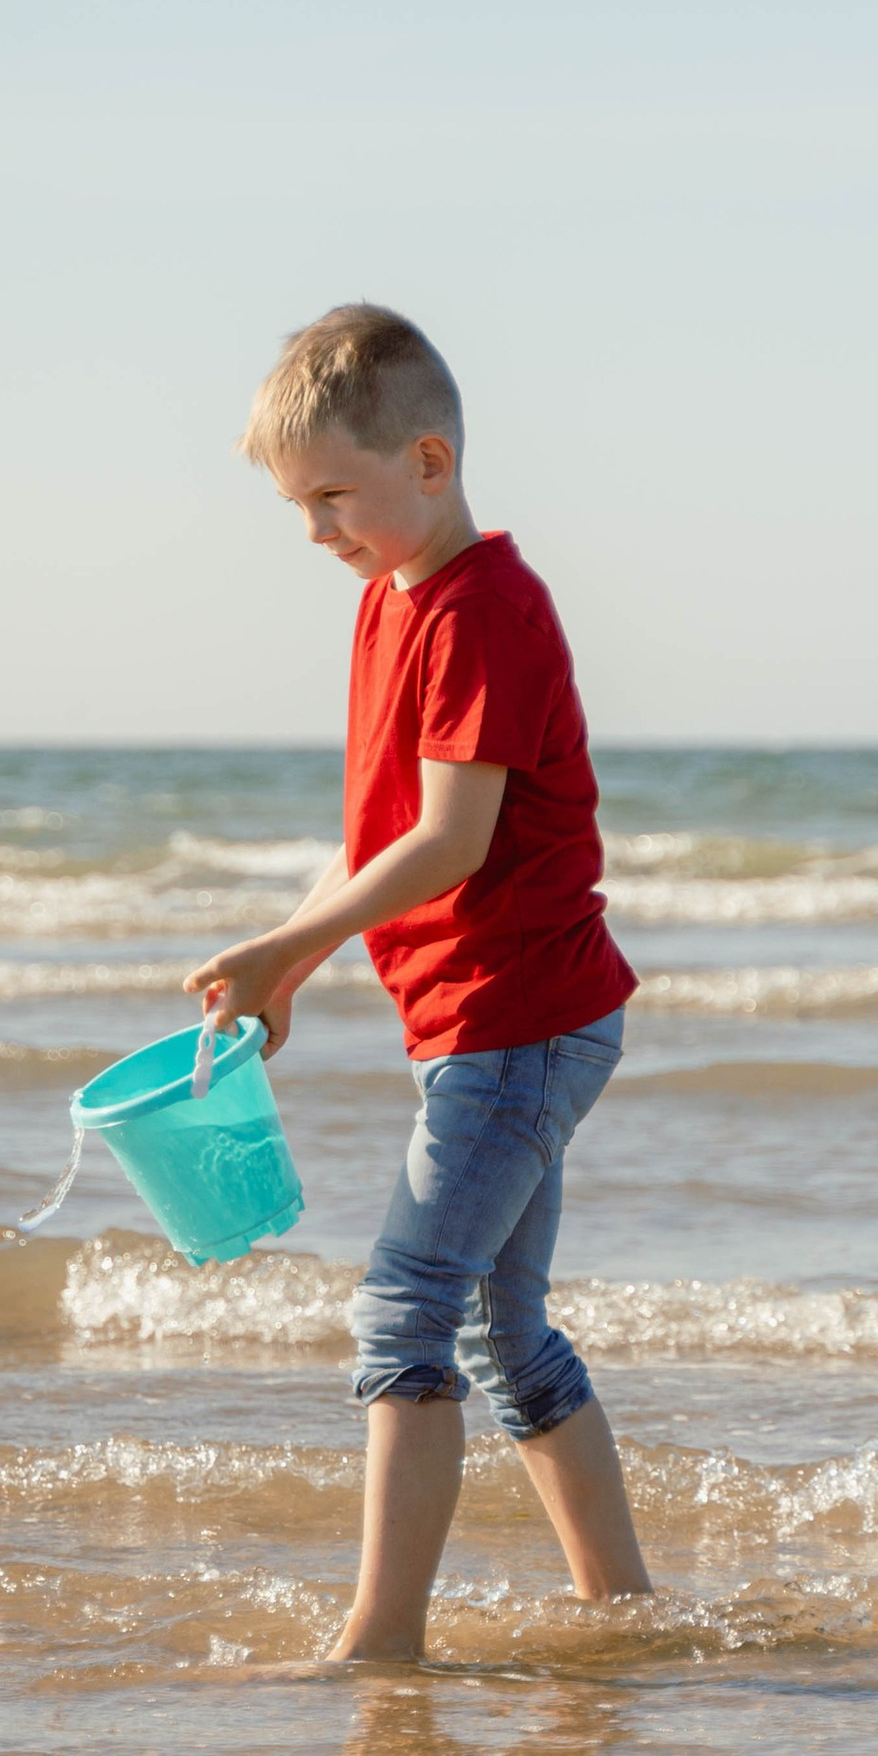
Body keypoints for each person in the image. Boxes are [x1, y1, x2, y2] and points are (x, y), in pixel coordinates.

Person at [186, 302, 654, 1664]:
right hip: (490, 1021)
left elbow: (452, 842)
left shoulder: (482, 608)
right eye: (299, 506)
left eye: (335, 495)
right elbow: (377, 826)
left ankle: (382, 1638)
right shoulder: (393, 603)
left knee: (404, 1311)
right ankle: (622, 1610)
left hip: (520, 1021)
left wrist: (288, 950)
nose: (317, 531)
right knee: (507, 1330)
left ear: (429, 465)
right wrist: (293, 953)